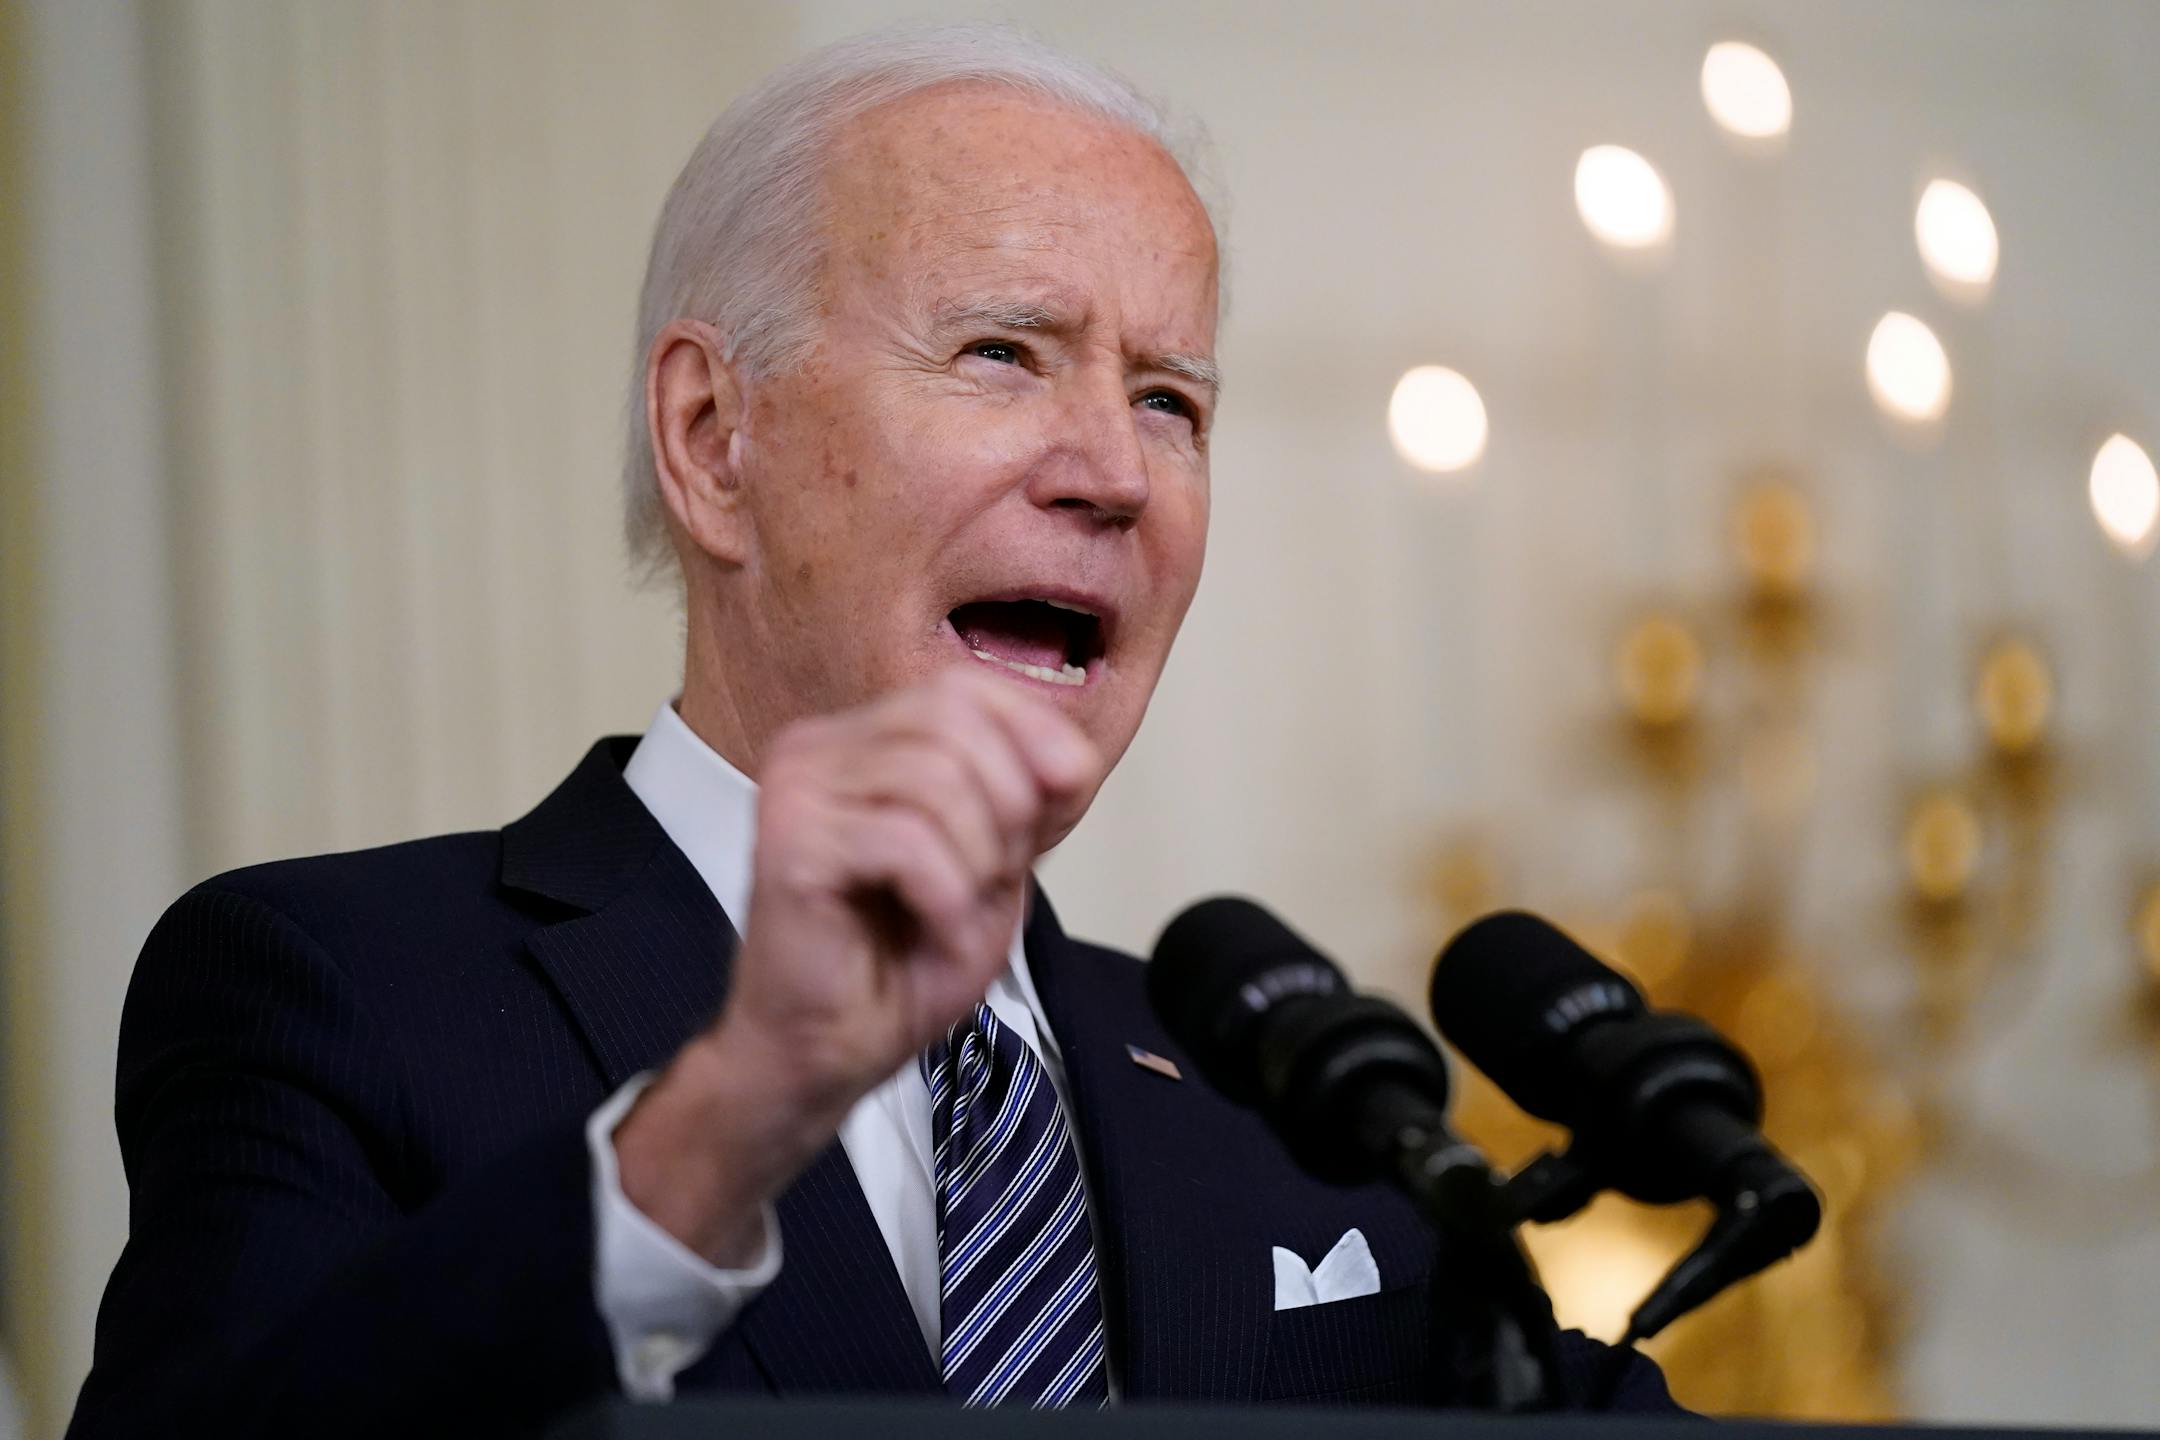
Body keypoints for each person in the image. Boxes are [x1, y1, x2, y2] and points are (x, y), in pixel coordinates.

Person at [69, 24, 1674, 1437]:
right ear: (713, 438)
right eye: (1002, 354)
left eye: (1169, 400)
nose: (1116, 473)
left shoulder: (1298, 1109)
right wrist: (730, 1118)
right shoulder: (343, 993)